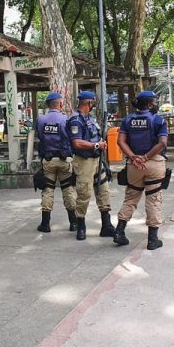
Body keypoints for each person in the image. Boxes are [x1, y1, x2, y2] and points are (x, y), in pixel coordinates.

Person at [113, 91, 169, 250]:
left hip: (134, 165)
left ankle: (119, 232)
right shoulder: (158, 120)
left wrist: (133, 157)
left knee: (131, 197)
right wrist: (145, 157)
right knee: (154, 199)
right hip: (153, 163)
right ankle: (152, 240)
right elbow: (162, 143)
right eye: (155, 101)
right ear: (150, 104)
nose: (157, 104)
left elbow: (120, 141)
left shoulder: (128, 119)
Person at [68, 91, 115, 241]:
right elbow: (77, 142)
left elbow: (95, 135)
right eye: (93, 102)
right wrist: (96, 145)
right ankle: (81, 226)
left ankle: (106, 225)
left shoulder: (90, 118)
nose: (93, 105)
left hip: (97, 160)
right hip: (84, 162)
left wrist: (101, 143)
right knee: (84, 193)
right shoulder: (76, 120)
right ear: (89, 103)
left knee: (103, 190)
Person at [36, 92, 78, 233]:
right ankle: (73, 223)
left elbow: (40, 136)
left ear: (48, 105)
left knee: (47, 190)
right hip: (64, 160)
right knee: (68, 190)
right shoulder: (65, 119)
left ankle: (45, 224)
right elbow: (70, 137)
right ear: (60, 104)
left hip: (48, 160)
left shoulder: (41, 119)